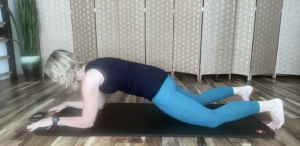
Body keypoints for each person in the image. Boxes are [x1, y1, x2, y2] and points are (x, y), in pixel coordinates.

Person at [27, 49, 284, 131]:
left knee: (211, 120)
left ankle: (270, 105)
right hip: (159, 77)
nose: (56, 82)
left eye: (55, 78)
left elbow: (88, 122)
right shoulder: (92, 68)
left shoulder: (90, 81)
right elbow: (100, 105)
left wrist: (54, 120)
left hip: (158, 90)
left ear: (62, 73)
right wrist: (69, 105)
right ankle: (243, 89)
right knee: (200, 99)